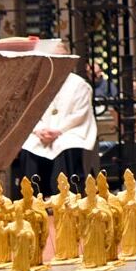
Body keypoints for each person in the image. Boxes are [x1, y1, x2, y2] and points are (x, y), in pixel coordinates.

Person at [18, 44, 97, 196]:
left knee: (65, 145)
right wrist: (39, 130)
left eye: (62, 57)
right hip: (41, 131)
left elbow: (80, 113)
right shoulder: (38, 83)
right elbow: (30, 111)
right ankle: (32, 195)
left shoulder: (79, 84)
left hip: (69, 131)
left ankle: (65, 195)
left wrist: (58, 131)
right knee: (29, 146)